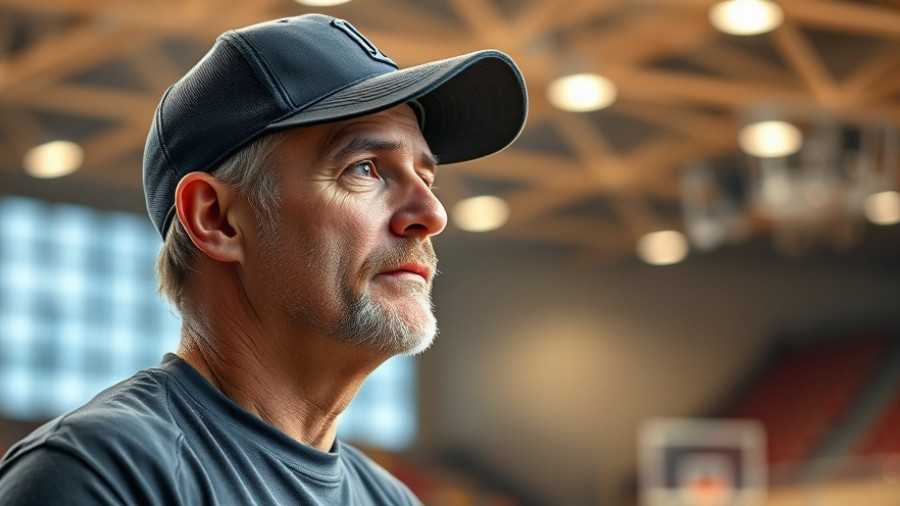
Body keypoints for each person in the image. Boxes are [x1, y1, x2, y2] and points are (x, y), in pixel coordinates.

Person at [0, 13, 527, 505]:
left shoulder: (391, 499)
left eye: (426, 177)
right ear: (217, 219)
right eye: (365, 168)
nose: (431, 214)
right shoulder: (100, 476)